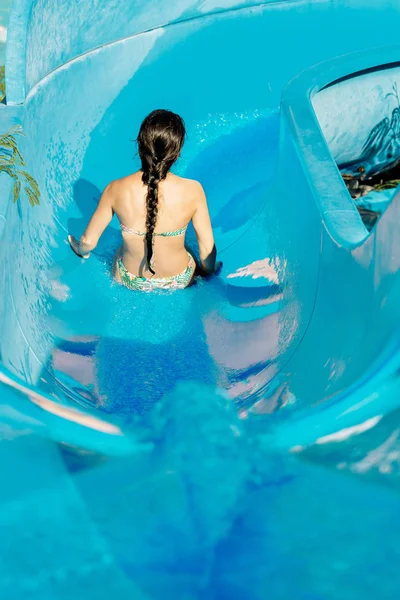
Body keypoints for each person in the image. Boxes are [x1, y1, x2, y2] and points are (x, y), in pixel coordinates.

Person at [68, 109, 220, 291]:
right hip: (180, 278)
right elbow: (206, 252)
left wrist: (80, 250)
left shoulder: (115, 189)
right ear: (176, 153)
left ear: (140, 145)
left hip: (129, 279)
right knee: (187, 244)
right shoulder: (193, 190)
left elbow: (88, 242)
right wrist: (208, 272)